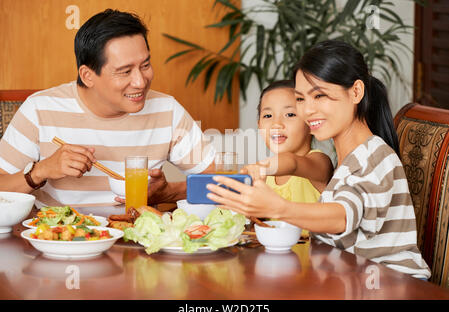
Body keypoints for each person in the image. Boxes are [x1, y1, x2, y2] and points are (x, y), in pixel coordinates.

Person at [207, 40, 431, 279]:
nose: (308, 110)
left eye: (319, 95)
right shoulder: (348, 159)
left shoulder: (376, 156)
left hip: (393, 287)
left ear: (356, 92)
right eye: (301, 99)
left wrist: (278, 208)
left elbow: (342, 216)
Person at [0, 9, 215, 215]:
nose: (140, 82)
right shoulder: (39, 109)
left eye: (146, 65)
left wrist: (168, 192)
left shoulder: (167, 111)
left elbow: (223, 182)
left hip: (141, 244)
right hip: (61, 243)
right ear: (87, 76)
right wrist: (40, 171)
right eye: (125, 71)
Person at [243, 79, 333, 237]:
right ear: (259, 125)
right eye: (268, 115)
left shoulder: (319, 162)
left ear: (310, 122)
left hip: (314, 258)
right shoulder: (265, 178)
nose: (277, 124)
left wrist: (260, 167)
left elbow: (293, 163)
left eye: (290, 114)